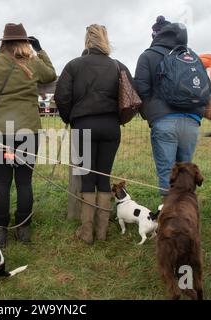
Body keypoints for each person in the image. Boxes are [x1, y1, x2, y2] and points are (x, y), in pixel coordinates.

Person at [0, 23, 57, 247]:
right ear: (24, 42)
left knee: (2, 182)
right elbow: (51, 74)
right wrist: (40, 50)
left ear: (3, 42)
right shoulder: (32, 62)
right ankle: (23, 228)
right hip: (28, 132)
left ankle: (1, 229)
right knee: (24, 182)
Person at [54, 24, 132, 245]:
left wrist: (72, 118)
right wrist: (118, 119)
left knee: (87, 179)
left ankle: (87, 233)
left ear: (87, 40)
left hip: (83, 126)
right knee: (104, 178)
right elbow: (130, 98)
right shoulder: (118, 66)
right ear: (106, 40)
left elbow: (61, 97)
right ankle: (102, 231)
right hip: (110, 127)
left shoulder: (74, 66)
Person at [134, 17, 207, 199]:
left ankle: (170, 217)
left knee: (167, 172)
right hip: (191, 122)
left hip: (164, 121)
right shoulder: (191, 56)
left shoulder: (148, 55)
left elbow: (141, 89)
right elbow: (203, 88)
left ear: (157, 35)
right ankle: (187, 215)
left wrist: (152, 113)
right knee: (185, 173)